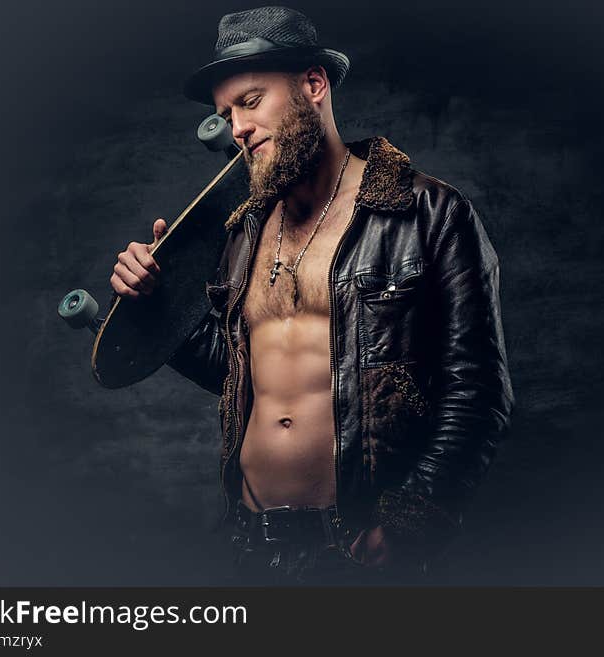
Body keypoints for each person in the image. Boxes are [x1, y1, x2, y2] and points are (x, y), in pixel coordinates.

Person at [110, 6, 513, 585]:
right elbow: (239, 370)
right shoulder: (243, 232)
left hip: (356, 550)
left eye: (249, 101)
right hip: (249, 545)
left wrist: (408, 522)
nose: (237, 129)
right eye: (225, 116)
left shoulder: (427, 214)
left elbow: (477, 391)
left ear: (313, 85)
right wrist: (156, 303)